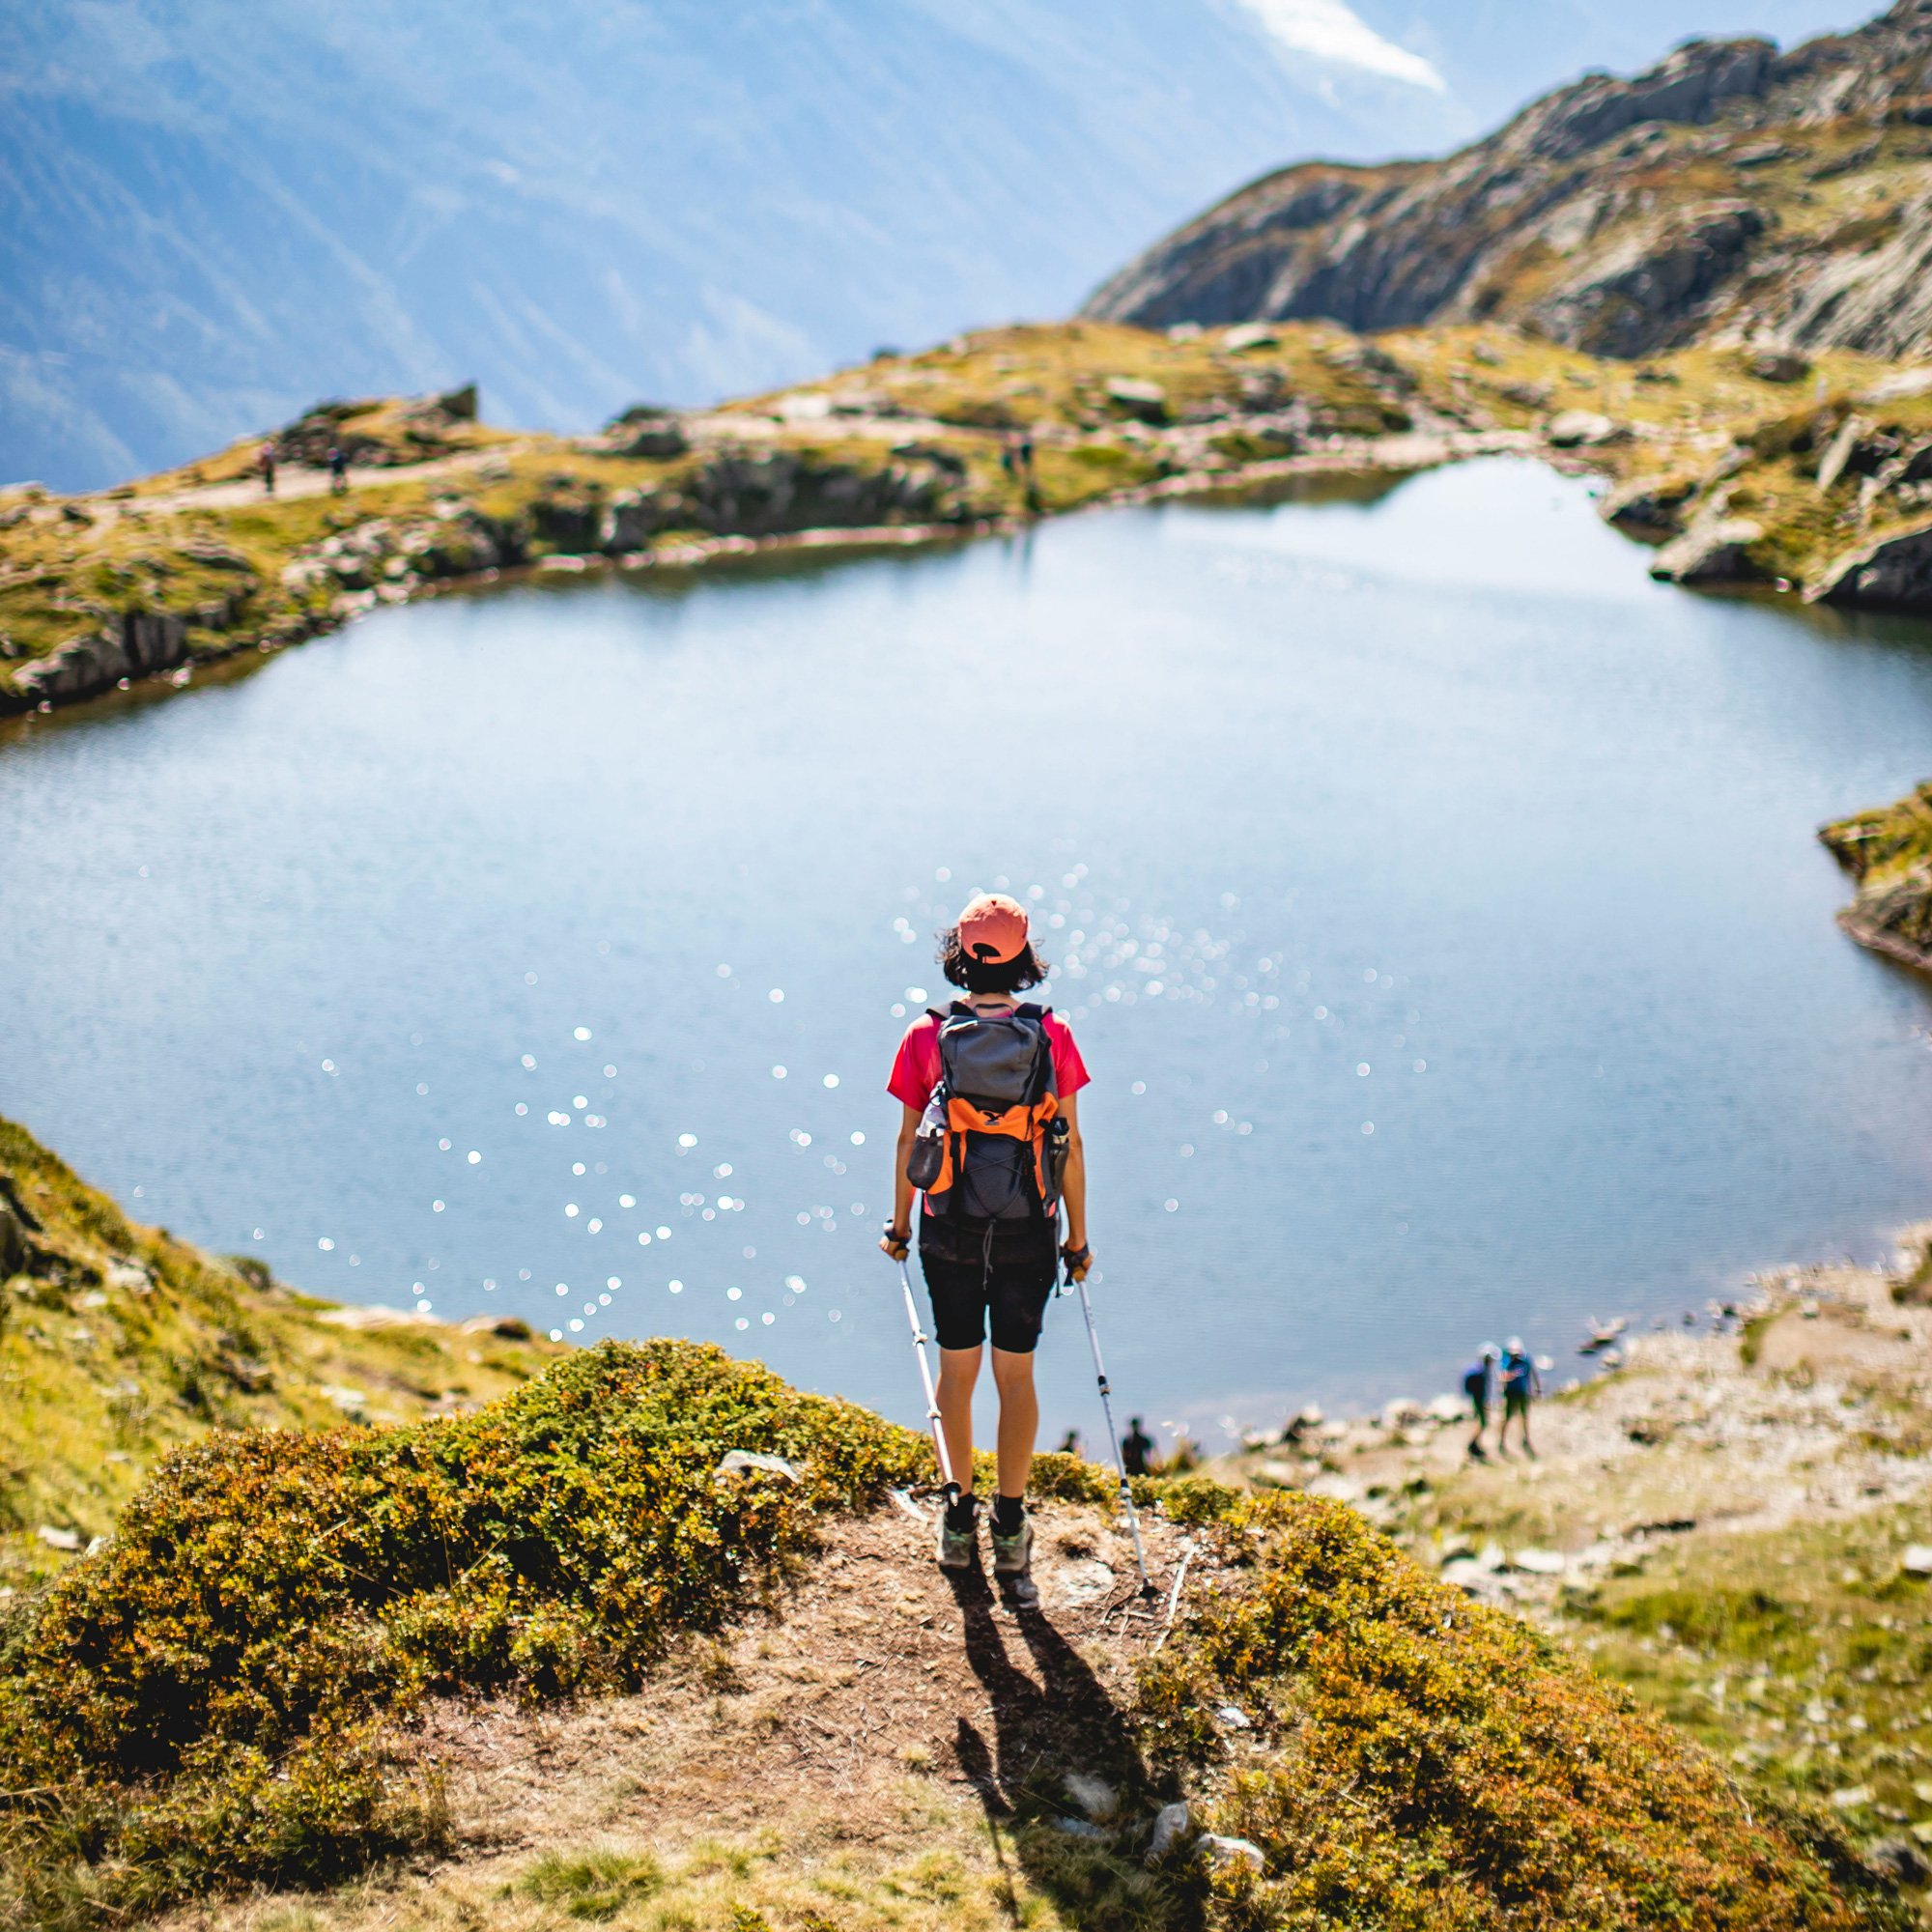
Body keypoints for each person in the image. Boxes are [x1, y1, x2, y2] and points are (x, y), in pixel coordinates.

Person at [881, 892, 1091, 1579]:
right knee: (1016, 1375)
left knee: (957, 1373)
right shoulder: (1052, 1033)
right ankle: (1009, 1521)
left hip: (951, 1227)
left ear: (959, 955)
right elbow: (1071, 1145)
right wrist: (1077, 1241)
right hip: (1030, 1225)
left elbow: (913, 1138)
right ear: (1025, 957)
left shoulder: (925, 1035)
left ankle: (957, 1513)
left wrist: (901, 1224)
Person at [1498, 1336, 1541, 1459]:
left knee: (1524, 1416)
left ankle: (1525, 1439)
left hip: (1524, 1393)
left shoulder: (1526, 1359)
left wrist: (1537, 1389)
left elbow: (1534, 1373)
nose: (1514, 1356)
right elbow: (1502, 1377)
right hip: (1511, 1394)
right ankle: (1501, 1441)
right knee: (1507, 1417)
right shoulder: (1506, 1361)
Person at [1462, 1344, 1499, 1461]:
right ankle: (1473, 1445)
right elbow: (1481, 1389)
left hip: (1479, 1400)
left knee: (1482, 1422)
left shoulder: (1480, 1370)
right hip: (1479, 1401)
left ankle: (1476, 1444)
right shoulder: (1482, 1372)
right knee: (1483, 1422)